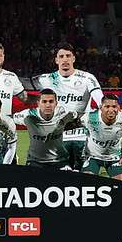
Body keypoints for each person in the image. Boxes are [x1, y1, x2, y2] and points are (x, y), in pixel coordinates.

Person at [34, 42, 103, 171]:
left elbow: (100, 100)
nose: (65, 59)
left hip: (82, 137)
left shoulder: (87, 78)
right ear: (56, 60)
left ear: (73, 58)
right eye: (61, 56)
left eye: (68, 55)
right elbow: (22, 85)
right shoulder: (46, 79)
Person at [13, 89, 79, 168]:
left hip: (60, 160)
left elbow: (76, 115)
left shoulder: (63, 112)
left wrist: (66, 123)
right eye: (44, 102)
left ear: (56, 103)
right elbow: (10, 120)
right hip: (35, 161)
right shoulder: (28, 115)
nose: (48, 105)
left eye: (51, 101)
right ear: (38, 103)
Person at [80, 94, 122, 182]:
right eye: (107, 106)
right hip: (92, 157)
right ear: (100, 107)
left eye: (114, 106)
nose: (111, 110)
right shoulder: (88, 118)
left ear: (118, 107)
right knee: (86, 186)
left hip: (114, 158)